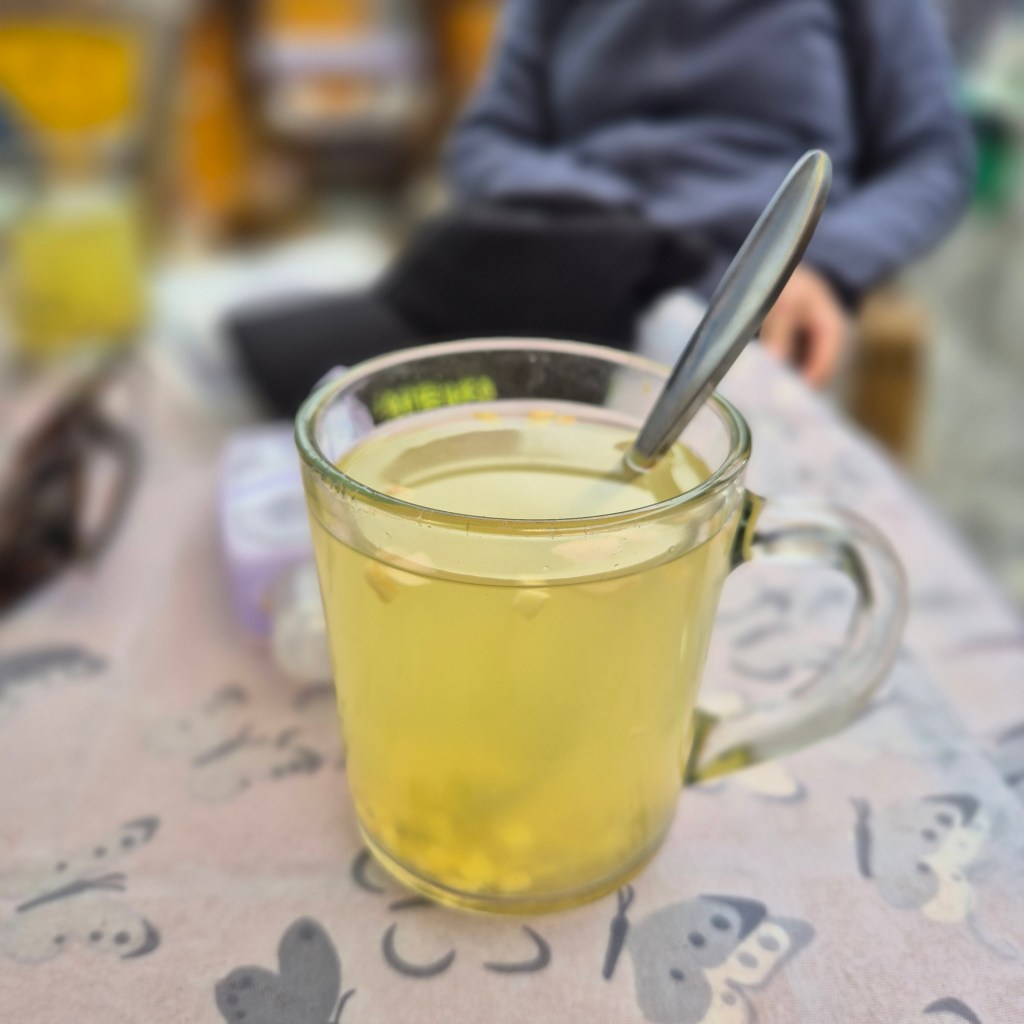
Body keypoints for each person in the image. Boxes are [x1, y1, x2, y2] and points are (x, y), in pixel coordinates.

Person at [231, 0, 975, 415]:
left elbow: (936, 157)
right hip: (567, 258)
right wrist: (611, 221)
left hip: (738, 294)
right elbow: (484, 141)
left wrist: (822, 262)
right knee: (328, 414)